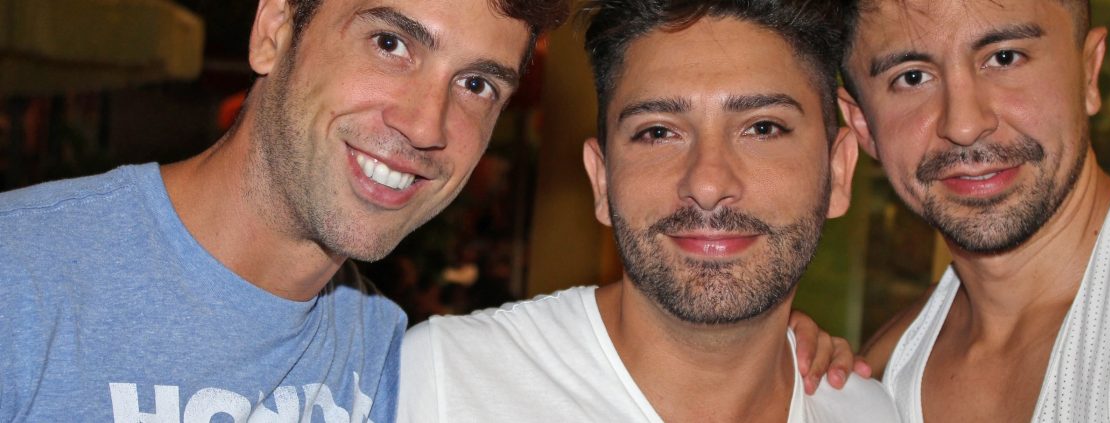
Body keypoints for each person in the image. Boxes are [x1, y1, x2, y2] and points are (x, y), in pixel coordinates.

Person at [0, 0, 565, 419]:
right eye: (390, 44)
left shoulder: (390, 362)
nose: (425, 125)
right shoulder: (22, 279)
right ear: (274, 31)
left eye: (476, 84)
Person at [397, 0, 900, 421]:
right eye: (658, 132)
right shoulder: (449, 383)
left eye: (762, 128)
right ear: (601, 180)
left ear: (838, 172)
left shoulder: (870, 413)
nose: (707, 184)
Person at [835, 0, 1110, 421]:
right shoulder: (881, 374)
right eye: (913, 78)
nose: (963, 125)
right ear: (863, 125)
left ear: (1088, 71)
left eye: (1004, 57)